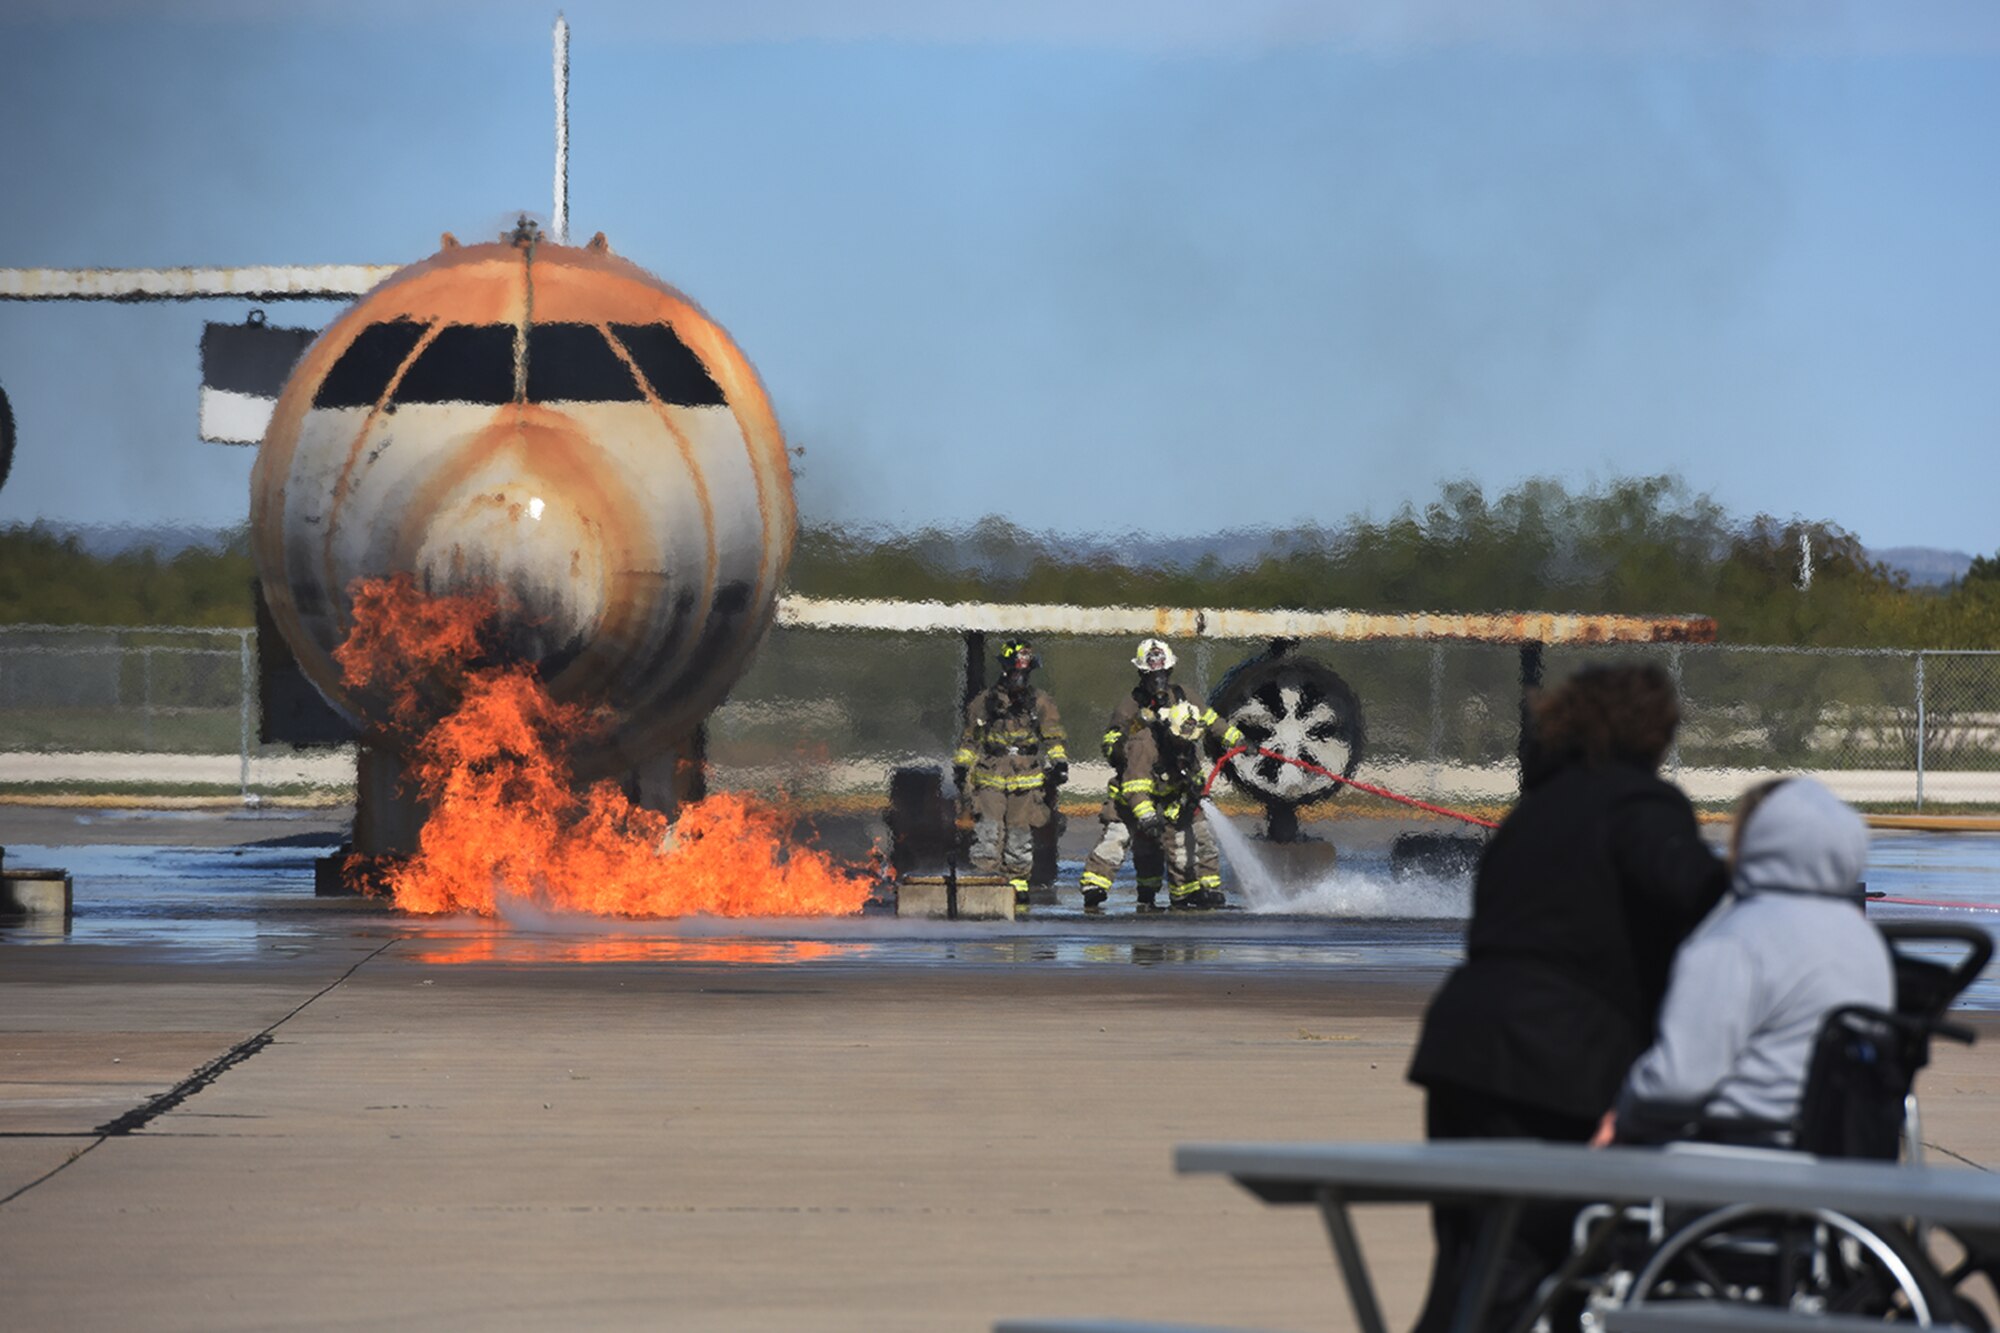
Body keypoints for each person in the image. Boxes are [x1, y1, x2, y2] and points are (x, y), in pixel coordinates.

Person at [1404, 662, 1728, 1333]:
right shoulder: (1641, 807)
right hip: (1554, 1063)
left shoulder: (1536, 813)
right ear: (1654, 732)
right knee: (1527, 1268)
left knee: (1466, 1263)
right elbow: (1694, 895)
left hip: (1463, 1050)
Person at [1596, 776, 1893, 1148]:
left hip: (1739, 1153)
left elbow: (1678, 1081)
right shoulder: (1863, 938)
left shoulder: (1736, 938)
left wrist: (1622, 1113)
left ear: (1757, 841)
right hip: (1837, 1151)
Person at [1078, 638, 1244, 911]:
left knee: (1192, 842)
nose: (1158, 680)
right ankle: (1095, 889)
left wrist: (1238, 740)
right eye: (1152, 674)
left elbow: (1212, 722)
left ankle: (1198, 891)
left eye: (1162, 674)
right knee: (1120, 838)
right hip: (1137, 783)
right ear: (1143, 674)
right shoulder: (1133, 712)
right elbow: (1114, 749)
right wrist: (1132, 746)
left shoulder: (1185, 697)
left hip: (1176, 787)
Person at [953, 639, 1067, 903]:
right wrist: (961, 765)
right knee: (988, 830)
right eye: (1015, 672)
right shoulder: (985, 702)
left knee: (1019, 831)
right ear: (1005, 670)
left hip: (1026, 779)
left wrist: (1059, 762)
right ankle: (985, 881)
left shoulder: (1040, 702)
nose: (1019, 678)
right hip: (991, 775)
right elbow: (970, 738)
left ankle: (1018, 882)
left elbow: (1053, 736)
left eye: (1024, 673)